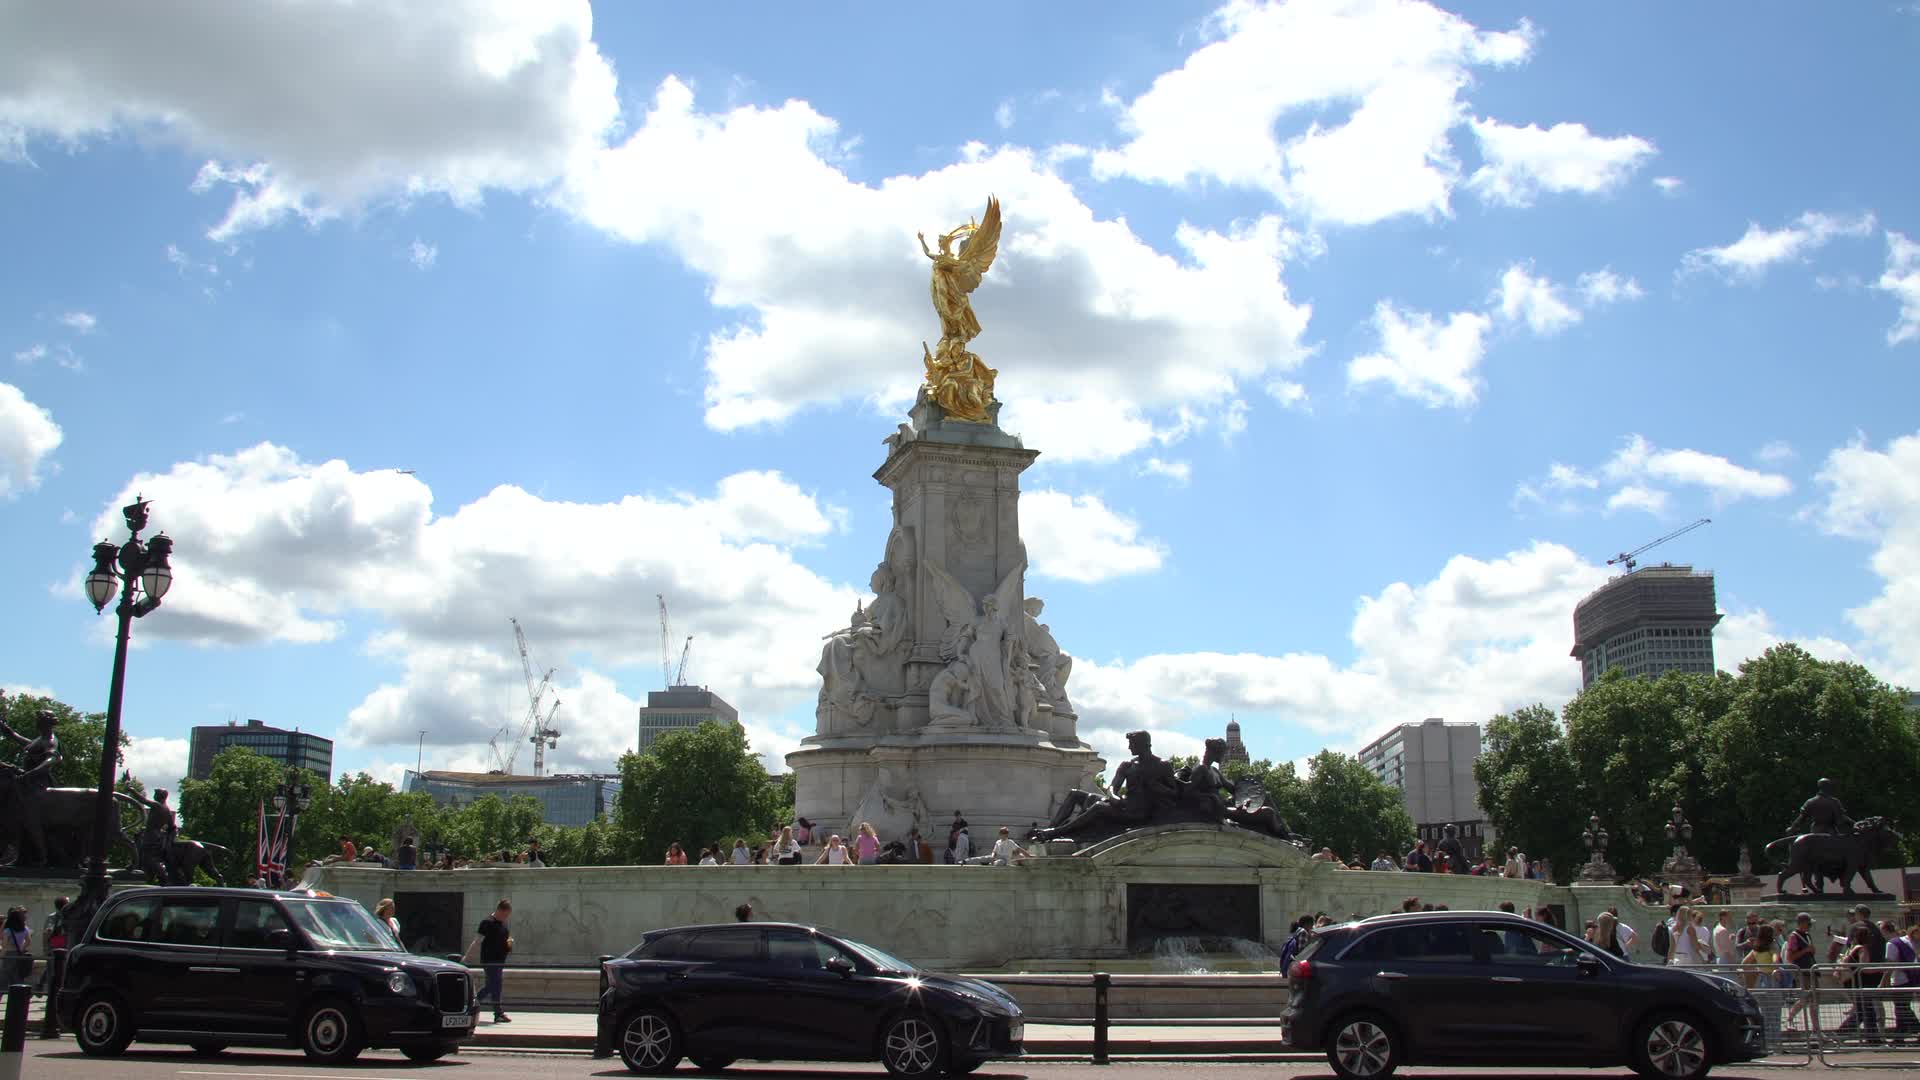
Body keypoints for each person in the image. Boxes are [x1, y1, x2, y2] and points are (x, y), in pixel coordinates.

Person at [463, 899, 513, 1023]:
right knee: (493, 985)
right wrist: (466, 957)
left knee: (495, 986)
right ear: (499, 910)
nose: (506, 917)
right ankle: (473, 1005)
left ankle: (495, 1012)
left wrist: (509, 944)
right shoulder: (487, 923)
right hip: (489, 960)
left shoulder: (503, 925)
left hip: (499, 961)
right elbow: (477, 941)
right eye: (505, 915)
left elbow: (506, 943)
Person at [1877, 920, 1917, 1039]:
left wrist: (1883, 982)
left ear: (1884, 931)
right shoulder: (1906, 939)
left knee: (1901, 1008)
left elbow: (1889, 966)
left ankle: (1903, 1034)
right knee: (1903, 1007)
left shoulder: (1891, 944)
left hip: (1900, 980)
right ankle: (1900, 1035)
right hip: (1911, 978)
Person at [3, 906, 32, 986]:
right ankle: (20, 992)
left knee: (5, 975)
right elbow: (29, 941)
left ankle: (3, 992)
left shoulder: (8, 931)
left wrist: (2, 956)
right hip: (19, 953)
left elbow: (4, 945)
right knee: (17, 975)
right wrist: (21, 949)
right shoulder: (25, 928)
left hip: (9, 954)